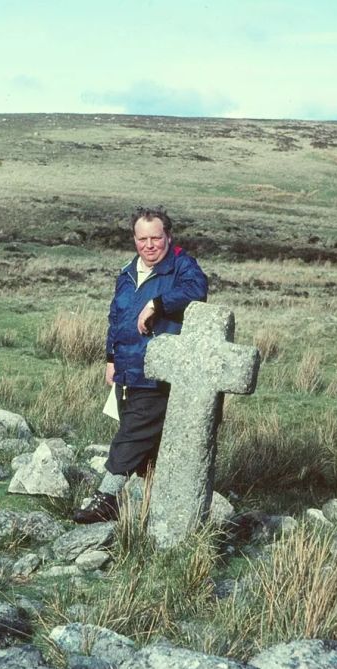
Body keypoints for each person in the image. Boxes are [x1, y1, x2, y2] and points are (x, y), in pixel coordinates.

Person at [73, 206, 208, 524]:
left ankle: (107, 498)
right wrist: (110, 359)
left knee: (132, 434)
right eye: (142, 238)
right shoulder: (128, 272)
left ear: (168, 236)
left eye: (156, 238)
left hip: (157, 371)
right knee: (145, 442)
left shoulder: (182, 266)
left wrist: (157, 304)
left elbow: (196, 290)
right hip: (128, 368)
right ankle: (148, 505)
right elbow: (116, 318)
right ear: (134, 239)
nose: (150, 245)